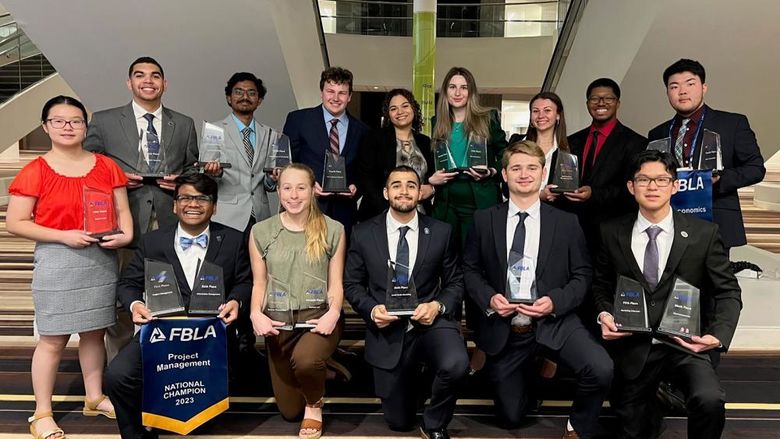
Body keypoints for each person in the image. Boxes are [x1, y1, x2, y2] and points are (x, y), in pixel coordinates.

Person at [462, 141, 613, 438]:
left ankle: (577, 425)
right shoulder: (484, 220)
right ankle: (533, 371)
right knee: (510, 417)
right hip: (507, 327)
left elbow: (582, 274)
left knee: (601, 368)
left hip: (555, 321)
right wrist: (490, 299)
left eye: (532, 168)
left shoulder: (567, 222)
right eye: (516, 168)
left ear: (543, 173)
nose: (524, 174)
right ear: (504, 174)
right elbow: (470, 269)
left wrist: (555, 302)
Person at [7, 95, 133, 439]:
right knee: (53, 338)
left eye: (75, 121)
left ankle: (93, 397)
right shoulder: (35, 170)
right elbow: (16, 222)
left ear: (85, 126)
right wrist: (63, 236)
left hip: (100, 257)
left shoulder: (107, 166)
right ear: (46, 125)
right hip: (58, 259)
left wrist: (124, 237)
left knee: (95, 331)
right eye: (59, 121)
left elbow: (123, 214)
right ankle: (42, 412)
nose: (68, 127)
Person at [593, 149, 742, 439]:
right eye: (644, 179)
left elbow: (728, 291)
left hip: (685, 343)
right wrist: (604, 314)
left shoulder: (704, 233)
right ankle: (655, 399)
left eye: (661, 179)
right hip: (633, 345)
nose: (652, 187)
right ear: (630, 186)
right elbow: (600, 285)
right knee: (634, 429)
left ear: (675, 186)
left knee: (710, 399)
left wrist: (718, 335)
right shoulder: (611, 232)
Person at [103, 172, 251, 439]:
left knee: (200, 423)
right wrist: (136, 304)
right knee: (117, 376)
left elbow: (245, 281)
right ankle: (138, 434)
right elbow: (127, 284)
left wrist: (236, 301)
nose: (193, 204)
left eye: (202, 198)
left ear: (214, 206)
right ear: (174, 205)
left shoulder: (233, 240)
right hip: (161, 334)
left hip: (210, 339)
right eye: (185, 197)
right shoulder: (153, 241)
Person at [84, 56, 201, 361]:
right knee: (123, 297)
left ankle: (166, 363)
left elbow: (192, 168)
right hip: (123, 222)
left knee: (172, 295)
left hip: (168, 223)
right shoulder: (105, 120)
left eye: (155, 76)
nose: (148, 81)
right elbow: (87, 166)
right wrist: (115, 178)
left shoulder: (184, 123)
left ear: (165, 84)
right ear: (130, 83)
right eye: (140, 75)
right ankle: (121, 369)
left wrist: (182, 181)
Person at [344, 165, 468, 439]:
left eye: (412, 185)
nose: (404, 190)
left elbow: (455, 282)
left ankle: (435, 423)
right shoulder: (363, 233)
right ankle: (416, 385)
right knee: (399, 422)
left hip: (430, 322)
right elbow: (352, 284)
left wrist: (437, 306)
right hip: (387, 328)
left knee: (457, 363)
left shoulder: (441, 231)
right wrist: (371, 309)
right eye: (397, 185)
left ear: (420, 192)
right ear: (386, 192)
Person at [249, 163, 345, 439]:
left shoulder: (333, 229)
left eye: (301, 188)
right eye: (287, 188)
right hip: (279, 324)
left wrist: (334, 312)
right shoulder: (261, 232)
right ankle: (324, 368)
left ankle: (315, 405)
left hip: (318, 319)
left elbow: (336, 282)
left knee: (305, 361)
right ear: (278, 191)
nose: (294, 195)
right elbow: (260, 282)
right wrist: (256, 313)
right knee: (290, 412)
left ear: (314, 190)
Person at [648, 58, 765, 250]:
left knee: (716, 279)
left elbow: (755, 168)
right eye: (674, 86)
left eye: (690, 84)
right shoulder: (658, 133)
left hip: (716, 219)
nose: (682, 91)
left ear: (704, 87)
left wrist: (718, 180)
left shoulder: (732, 123)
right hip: (670, 222)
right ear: (667, 93)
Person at [283, 67, 369, 237]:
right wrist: (307, 185)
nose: (335, 98)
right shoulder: (298, 120)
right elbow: (286, 163)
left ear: (350, 96)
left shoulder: (362, 130)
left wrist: (356, 187)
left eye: (342, 93)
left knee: (340, 262)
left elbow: (364, 170)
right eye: (330, 91)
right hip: (305, 208)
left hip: (344, 214)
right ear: (321, 92)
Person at [566, 78, 648, 254]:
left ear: (618, 103)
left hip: (613, 231)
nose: (601, 103)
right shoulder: (571, 141)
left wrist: (593, 194)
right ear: (587, 103)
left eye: (608, 98)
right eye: (595, 98)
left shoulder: (635, 143)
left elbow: (633, 189)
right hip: (573, 229)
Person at [429, 66, 507, 247]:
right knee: (447, 259)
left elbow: (506, 153)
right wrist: (433, 178)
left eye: (463, 87)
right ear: (445, 91)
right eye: (452, 87)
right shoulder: (437, 122)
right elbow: (436, 159)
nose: (457, 92)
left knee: (476, 258)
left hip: (480, 201)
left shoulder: (488, 118)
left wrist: (492, 170)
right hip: (447, 203)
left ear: (471, 92)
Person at [204, 71, 279, 235]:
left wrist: (273, 179)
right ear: (229, 98)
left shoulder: (270, 134)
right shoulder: (214, 130)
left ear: (259, 100)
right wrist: (213, 173)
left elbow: (269, 184)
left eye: (251, 93)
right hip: (226, 217)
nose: (245, 97)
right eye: (238, 92)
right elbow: (205, 177)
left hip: (261, 217)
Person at [356, 88, 435, 222]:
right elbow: (367, 179)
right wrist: (389, 209)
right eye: (393, 109)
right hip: (381, 213)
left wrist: (432, 189)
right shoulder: (374, 139)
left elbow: (432, 177)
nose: (400, 112)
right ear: (388, 114)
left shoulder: (425, 142)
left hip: (420, 214)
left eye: (405, 106)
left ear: (414, 109)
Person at [523, 91, 572, 205]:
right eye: (535, 111)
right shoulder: (517, 143)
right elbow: (507, 187)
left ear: (558, 115)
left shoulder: (570, 149)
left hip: (556, 215)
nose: (541, 115)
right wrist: (539, 195)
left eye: (547, 110)